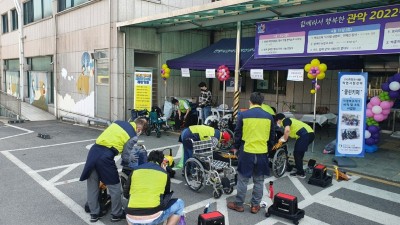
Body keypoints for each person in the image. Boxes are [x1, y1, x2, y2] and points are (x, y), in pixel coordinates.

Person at [80, 118, 148, 223]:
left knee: (92, 184)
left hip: (93, 152)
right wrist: (131, 158)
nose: (140, 133)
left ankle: (94, 214)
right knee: (115, 186)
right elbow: (125, 157)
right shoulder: (132, 135)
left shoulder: (118, 122)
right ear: (139, 128)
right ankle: (117, 214)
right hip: (105, 156)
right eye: (141, 131)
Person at [227, 92, 275, 214]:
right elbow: (271, 137)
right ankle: (255, 206)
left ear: (250, 101)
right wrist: (267, 150)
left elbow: (238, 133)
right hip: (262, 152)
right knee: (259, 180)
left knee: (242, 179)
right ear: (262, 102)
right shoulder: (269, 116)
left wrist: (236, 147)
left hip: (247, 152)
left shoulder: (243, 114)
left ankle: (239, 205)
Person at [123, 150, 185, 225]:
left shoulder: (135, 170)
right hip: (152, 218)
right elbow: (165, 196)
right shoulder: (164, 173)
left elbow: (126, 194)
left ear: (148, 159)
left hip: (131, 217)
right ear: (162, 162)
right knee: (180, 203)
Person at [275, 113, 315, 178]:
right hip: (309, 134)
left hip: (305, 135)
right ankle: (298, 166)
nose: (277, 123)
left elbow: (287, 131)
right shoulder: (290, 121)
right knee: (300, 152)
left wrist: (284, 139)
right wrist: (282, 138)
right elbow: (287, 132)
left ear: (278, 120)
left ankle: (300, 173)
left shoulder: (285, 120)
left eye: (277, 121)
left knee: (297, 153)